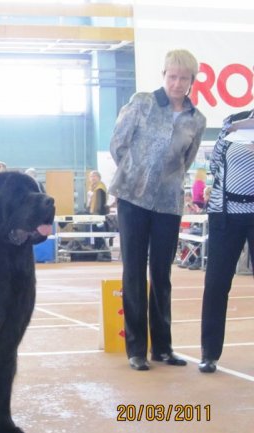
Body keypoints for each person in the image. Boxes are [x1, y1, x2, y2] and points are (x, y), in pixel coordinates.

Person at [109, 49, 206, 371]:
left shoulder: (197, 119)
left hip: (168, 203)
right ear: (164, 75)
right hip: (132, 199)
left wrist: (166, 182)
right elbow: (118, 144)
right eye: (172, 76)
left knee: (162, 275)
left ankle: (162, 348)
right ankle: (136, 349)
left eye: (184, 78)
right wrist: (136, 174)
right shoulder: (142, 103)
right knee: (134, 272)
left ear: (192, 81)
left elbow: (186, 160)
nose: (177, 83)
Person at [198, 109, 254, 373]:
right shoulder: (234, 121)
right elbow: (215, 163)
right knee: (216, 284)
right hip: (225, 214)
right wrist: (229, 132)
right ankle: (209, 353)